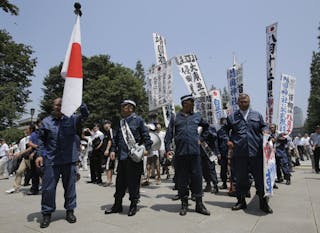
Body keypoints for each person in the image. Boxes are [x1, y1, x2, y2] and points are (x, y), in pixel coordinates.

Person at [35, 98, 89, 228]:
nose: (59, 107)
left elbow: (85, 115)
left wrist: (79, 102)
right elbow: (41, 140)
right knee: (48, 188)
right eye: (57, 105)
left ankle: (70, 211)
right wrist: (40, 155)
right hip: (51, 160)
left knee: (70, 187)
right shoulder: (46, 122)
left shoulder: (73, 119)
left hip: (69, 160)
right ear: (53, 106)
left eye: (62, 104)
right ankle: (47, 213)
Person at [225, 93, 273, 214]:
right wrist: (228, 140)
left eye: (245, 101)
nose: (243, 103)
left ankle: (263, 203)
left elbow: (264, 127)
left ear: (249, 102)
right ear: (237, 103)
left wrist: (267, 132)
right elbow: (224, 130)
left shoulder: (257, 115)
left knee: (260, 179)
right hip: (239, 153)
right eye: (240, 101)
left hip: (256, 152)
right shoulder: (232, 117)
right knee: (240, 179)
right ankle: (241, 201)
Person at [165, 94, 210, 216]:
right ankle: (184, 204)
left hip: (195, 153)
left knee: (197, 178)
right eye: (192, 103)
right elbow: (168, 135)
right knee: (182, 179)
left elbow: (207, 127)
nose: (193, 105)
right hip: (180, 154)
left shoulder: (197, 116)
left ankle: (199, 204)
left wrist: (201, 138)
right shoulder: (175, 118)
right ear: (185, 104)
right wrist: (168, 149)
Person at [105, 100, 152, 216]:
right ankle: (117, 205)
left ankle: (133, 205)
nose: (122, 108)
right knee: (120, 182)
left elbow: (147, 138)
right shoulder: (120, 123)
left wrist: (146, 150)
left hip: (134, 158)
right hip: (122, 157)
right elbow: (115, 139)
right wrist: (112, 150)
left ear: (131, 108)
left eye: (124, 106)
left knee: (134, 183)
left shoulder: (139, 121)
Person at [217, 117, 229, 189]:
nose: (224, 124)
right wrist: (218, 153)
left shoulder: (232, 131)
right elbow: (217, 143)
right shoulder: (219, 132)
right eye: (223, 122)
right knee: (223, 170)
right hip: (223, 153)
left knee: (233, 170)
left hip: (231, 154)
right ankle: (224, 183)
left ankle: (233, 185)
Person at [102, 120, 114, 186]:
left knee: (108, 166)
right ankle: (110, 180)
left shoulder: (110, 131)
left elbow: (110, 141)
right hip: (108, 151)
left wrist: (107, 149)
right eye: (104, 124)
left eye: (106, 124)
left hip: (109, 151)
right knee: (110, 166)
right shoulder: (106, 132)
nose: (104, 125)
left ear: (109, 124)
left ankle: (108, 181)